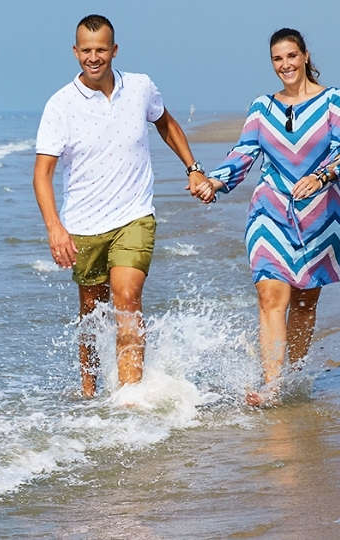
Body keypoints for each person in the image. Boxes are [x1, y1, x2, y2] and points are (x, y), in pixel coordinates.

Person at [33, 14, 210, 398]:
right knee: (92, 316)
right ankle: (90, 391)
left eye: (101, 49)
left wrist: (193, 169)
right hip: (83, 226)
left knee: (127, 300)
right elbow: (42, 174)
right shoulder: (60, 105)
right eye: (86, 50)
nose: (93, 57)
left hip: (134, 216)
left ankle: (131, 401)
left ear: (114, 50)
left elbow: (166, 124)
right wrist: (54, 227)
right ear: (75, 51)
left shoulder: (141, 87)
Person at [192, 28, 340, 407]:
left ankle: (294, 375)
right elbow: (244, 153)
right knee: (270, 294)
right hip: (271, 211)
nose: (285, 65)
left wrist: (318, 178)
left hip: (319, 217)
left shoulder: (334, 100)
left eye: (291, 56)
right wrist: (216, 182)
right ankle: (272, 384)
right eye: (278, 59)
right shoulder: (262, 107)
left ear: (305, 56)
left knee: (304, 303)